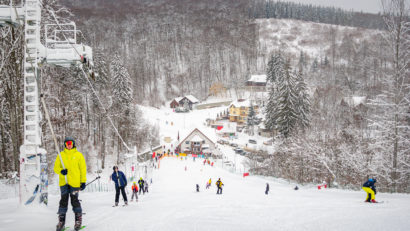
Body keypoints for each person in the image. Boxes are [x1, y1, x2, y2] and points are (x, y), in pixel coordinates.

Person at [54, 136, 87, 231]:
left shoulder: (78, 155)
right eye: (67, 143)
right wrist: (61, 171)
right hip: (64, 182)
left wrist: (83, 181)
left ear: (73, 144)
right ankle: (61, 222)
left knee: (74, 201)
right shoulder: (61, 155)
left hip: (75, 183)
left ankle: (78, 221)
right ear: (65, 144)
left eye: (70, 143)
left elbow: (83, 169)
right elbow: (55, 168)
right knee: (63, 201)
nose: (69, 145)